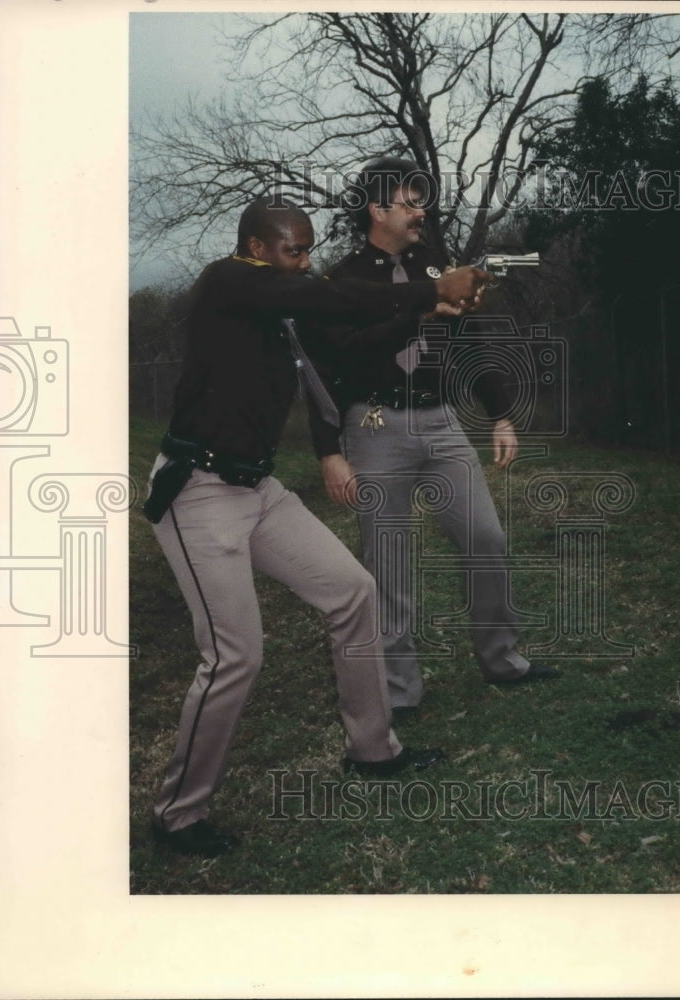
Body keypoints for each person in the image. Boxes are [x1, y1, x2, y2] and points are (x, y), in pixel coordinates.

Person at [144, 197, 490, 857]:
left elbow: (349, 339)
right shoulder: (227, 281)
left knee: (352, 591)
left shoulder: (281, 308)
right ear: (255, 247)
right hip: (199, 491)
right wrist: (432, 285)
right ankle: (177, 815)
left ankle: (373, 749)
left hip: (257, 489)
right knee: (235, 655)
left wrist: (422, 312)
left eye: (308, 249)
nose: (304, 261)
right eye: (292, 250)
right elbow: (329, 296)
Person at [299, 158, 559, 715]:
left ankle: (502, 660)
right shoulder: (342, 282)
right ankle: (400, 691)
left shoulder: (437, 267)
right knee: (388, 561)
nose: (421, 212)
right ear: (378, 209)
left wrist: (501, 415)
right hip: (374, 429)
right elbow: (330, 366)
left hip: (442, 423)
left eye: (422, 202)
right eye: (411, 202)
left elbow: (472, 341)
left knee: (486, 539)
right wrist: (329, 452)